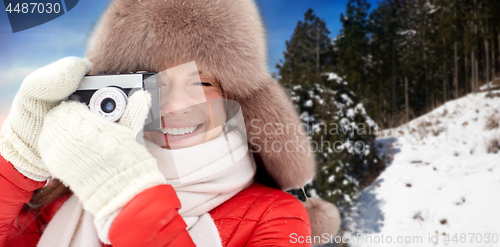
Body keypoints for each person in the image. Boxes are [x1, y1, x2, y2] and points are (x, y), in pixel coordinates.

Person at [0, 0, 341, 246]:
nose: (176, 107)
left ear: (237, 100)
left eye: (202, 83)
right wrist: (18, 160)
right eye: (154, 84)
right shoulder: (73, 195)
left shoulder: (276, 215)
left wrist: (129, 203)